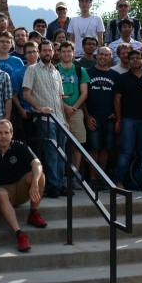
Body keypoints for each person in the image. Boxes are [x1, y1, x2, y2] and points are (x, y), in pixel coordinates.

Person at [0, 119, 47, 253]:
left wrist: (35, 182)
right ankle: (20, 234)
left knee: (38, 175)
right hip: (0, 191)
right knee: (1, 193)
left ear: (12, 134)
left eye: (6, 132)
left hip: (19, 188)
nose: (3, 136)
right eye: (0, 133)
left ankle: (34, 213)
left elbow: (37, 163)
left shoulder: (20, 146)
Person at [22, 40, 66, 198]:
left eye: (50, 50)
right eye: (45, 50)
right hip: (44, 119)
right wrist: (39, 109)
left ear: (54, 52)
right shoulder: (32, 69)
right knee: (51, 153)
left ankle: (60, 184)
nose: (48, 53)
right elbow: (26, 94)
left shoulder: (56, 71)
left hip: (60, 119)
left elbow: (60, 98)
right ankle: (53, 186)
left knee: (62, 154)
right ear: (39, 52)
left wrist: (65, 119)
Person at [114, 50, 142, 189]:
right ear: (128, 61)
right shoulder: (123, 78)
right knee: (126, 151)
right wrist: (119, 119)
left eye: (138, 58)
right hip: (128, 120)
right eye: (132, 58)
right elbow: (117, 99)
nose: (135, 60)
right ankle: (119, 181)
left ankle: (141, 180)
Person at [84, 47, 119, 190]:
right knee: (94, 149)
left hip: (109, 118)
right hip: (93, 116)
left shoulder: (115, 75)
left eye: (107, 55)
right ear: (96, 56)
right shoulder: (87, 73)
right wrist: (87, 116)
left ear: (111, 57)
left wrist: (116, 113)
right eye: (101, 54)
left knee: (106, 149)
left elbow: (118, 97)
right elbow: (84, 96)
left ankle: (102, 177)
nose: (103, 57)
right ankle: (92, 178)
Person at [57, 41, 89, 171]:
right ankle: (62, 174)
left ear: (73, 53)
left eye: (69, 51)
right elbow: (52, 91)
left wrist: (73, 108)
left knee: (77, 145)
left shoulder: (80, 70)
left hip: (76, 111)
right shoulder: (54, 69)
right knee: (60, 144)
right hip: (58, 111)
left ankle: (74, 174)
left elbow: (84, 93)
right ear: (59, 53)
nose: (66, 54)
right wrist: (65, 107)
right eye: (63, 51)